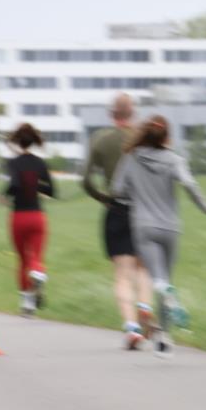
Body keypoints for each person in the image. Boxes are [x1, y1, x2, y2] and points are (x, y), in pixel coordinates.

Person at [112, 115, 206, 358]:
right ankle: (163, 339)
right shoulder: (174, 159)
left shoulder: (131, 158)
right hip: (170, 227)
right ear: (166, 136)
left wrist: (136, 194)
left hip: (144, 225)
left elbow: (117, 190)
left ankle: (163, 303)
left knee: (158, 280)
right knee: (166, 278)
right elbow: (189, 184)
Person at [82, 93, 154, 349]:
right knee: (143, 269)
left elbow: (86, 180)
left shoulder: (101, 140)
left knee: (122, 275)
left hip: (117, 209)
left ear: (111, 114)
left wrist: (103, 197)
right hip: (145, 211)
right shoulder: (146, 141)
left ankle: (132, 328)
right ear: (132, 113)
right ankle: (145, 306)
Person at [0, 123, 55, 317]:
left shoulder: (13, 163)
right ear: (34, 141)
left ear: (17, 141)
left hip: (18, 217)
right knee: (36, 258)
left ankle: (27, 304)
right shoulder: (41, 163)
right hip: (37, 217)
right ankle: (38, 274)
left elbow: (14, 183)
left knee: (22, 260)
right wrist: (36, 187)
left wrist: (5, 195)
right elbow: (51, 190)